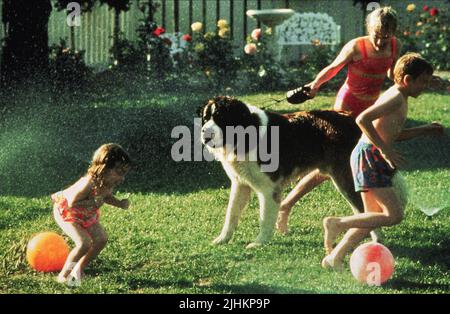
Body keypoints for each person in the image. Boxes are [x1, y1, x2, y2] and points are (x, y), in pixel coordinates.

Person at [277, 6, 403, 234]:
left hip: (370, 106)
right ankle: (364, 218)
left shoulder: (395, 46)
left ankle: (286, 205)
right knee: (336, 164)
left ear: (393, 33)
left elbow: (391, 73)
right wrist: (314, 87)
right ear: (369, 30)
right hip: (347, 107)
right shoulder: (356, 46)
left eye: (386, 37)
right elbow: (333, 68)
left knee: (332, 167)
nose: (380, 42)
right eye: (376, 36)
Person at [321, 53, 444, 269]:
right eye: (423, 81)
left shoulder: (399, 97)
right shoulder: (396, 97)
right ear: (407, 80)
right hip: (370, 156)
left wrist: (424, 130)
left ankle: (335, 257)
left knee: (372, 216)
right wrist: (385, 151)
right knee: (394, 215)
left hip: (369, 155)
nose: (425, 87)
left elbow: (391, 132)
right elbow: (363, 119)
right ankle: (336, 223)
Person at [52, 143, 131, 283]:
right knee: (84, 244)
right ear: (104, 168)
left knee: (102, 239)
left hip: (85, 215)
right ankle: (64, 275)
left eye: (124, 173)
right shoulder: (88, 184)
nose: (122, 178)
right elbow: (71, 203)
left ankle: (78, 270)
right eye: (119, 172)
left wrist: (119, 203)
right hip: (66, 212)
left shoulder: (107, 183)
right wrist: (93, 203)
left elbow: (106, 197)